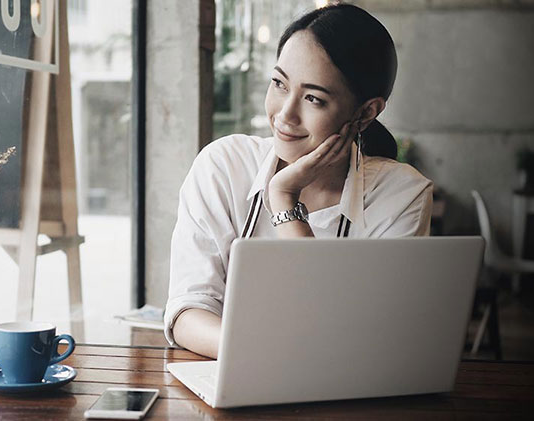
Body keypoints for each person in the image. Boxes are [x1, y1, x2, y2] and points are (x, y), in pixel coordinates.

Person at [164, 4, 433, 359]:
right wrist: (271, 353)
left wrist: (285, 198)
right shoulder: (223, 166)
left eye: (313, 99)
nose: (285, 114)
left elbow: (357, 339)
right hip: (233, 381)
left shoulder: (401, 196)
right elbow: (188, 310)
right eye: (279, 83)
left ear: (366, 112)